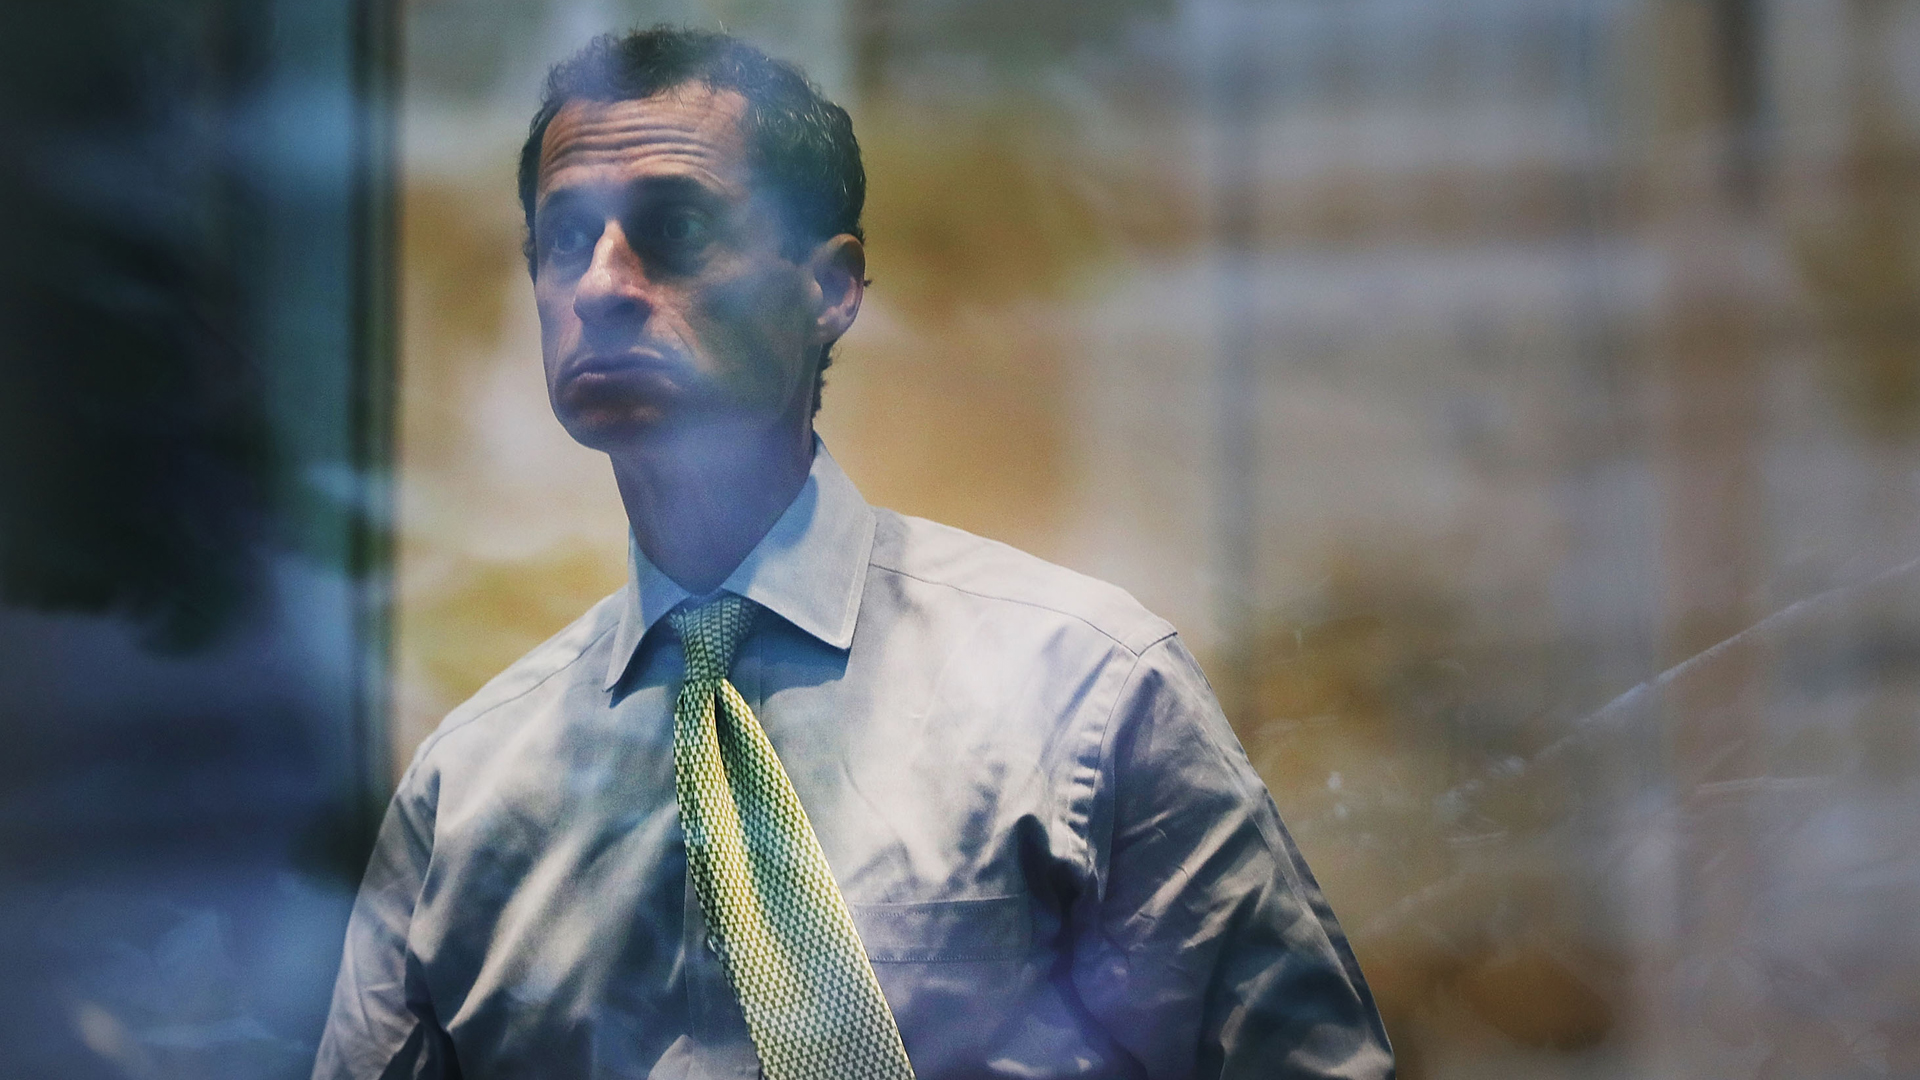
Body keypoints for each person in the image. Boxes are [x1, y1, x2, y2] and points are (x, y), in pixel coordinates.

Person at [314, 26, 1393, 1080]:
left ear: (831, 288)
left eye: (676, 231)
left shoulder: (1084, 694)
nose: (599, 284)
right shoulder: (470, 789)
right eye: (563, 240)